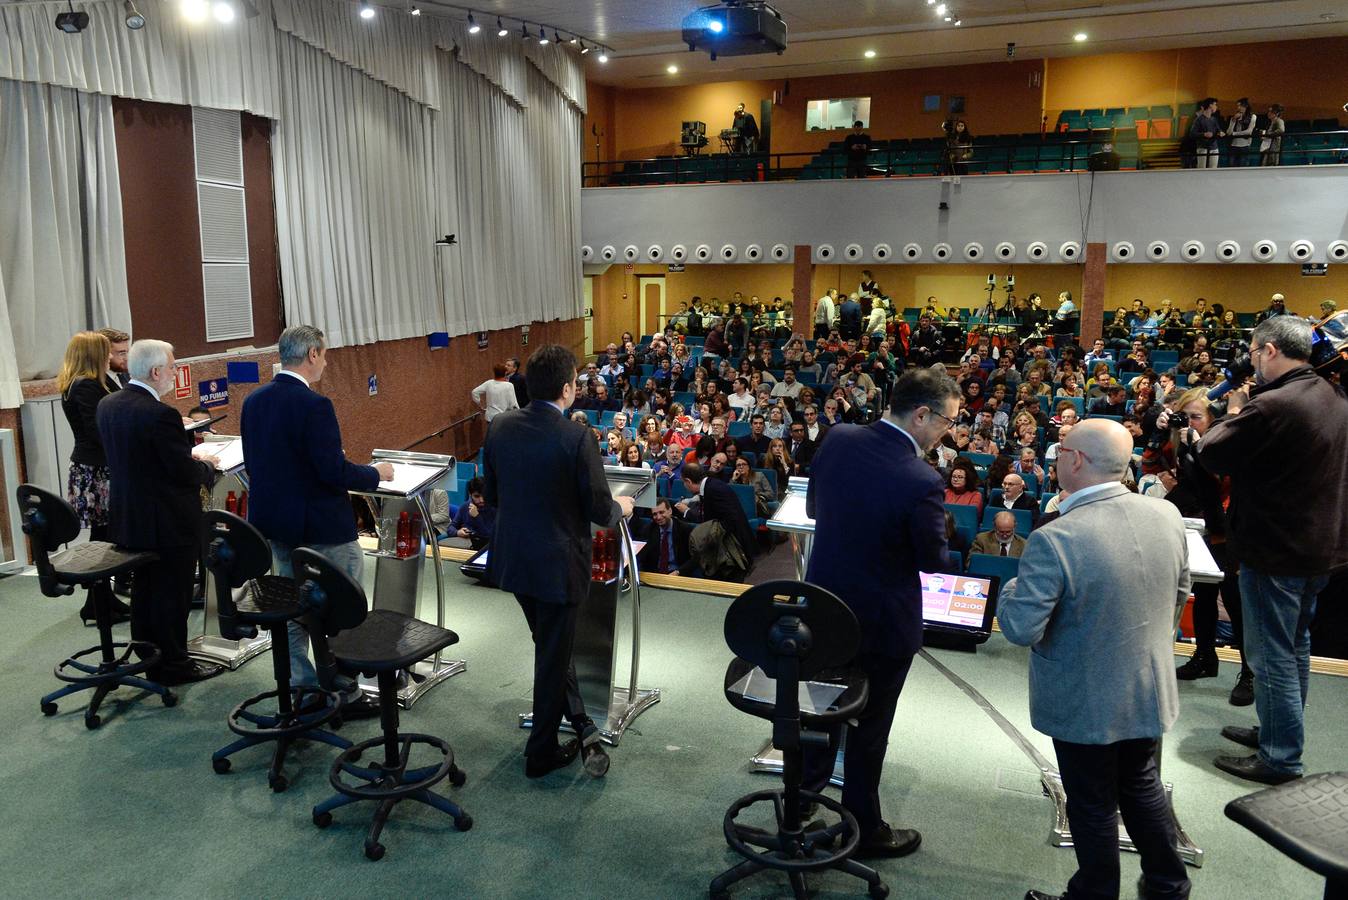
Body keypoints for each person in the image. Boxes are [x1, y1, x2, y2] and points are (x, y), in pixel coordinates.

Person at [999, 419, 1192, 900]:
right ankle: (1169, 886)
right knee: (1141, 784)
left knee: (1091, 802)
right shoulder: (1166, 515)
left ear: (1076, 461)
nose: (1056, 455)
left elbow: (1021, 628)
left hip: (1085, 699)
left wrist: (1011, 588)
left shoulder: (1056, 538)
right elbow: (1181, 593)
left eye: (1061, 448)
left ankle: (1093, 894)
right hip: (1147, 686)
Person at [802, 367, 960, 858]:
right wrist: (948, 534)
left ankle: (799, 805)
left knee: (818, 713)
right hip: (882, 625)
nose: (949, 432)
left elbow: (811, 508)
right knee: (869, 730)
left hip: (822, 611)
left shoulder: (838, 437)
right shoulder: (921, 478)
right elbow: (934, 560)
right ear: (921, 415)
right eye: (948, 422)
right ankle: (864, 830)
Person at [1198, 316, 1348, 784]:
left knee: (1271, 656)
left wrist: (1239, 404)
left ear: (1267, 351)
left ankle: (1280, 757)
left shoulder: (1273, 404)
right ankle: (1275, 734)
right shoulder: (1332, 395)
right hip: (1316, 547)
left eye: (1254, 350)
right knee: (1296, 648)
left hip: (1276, 549)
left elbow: (1210, 450)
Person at [481, 345, 634, 779]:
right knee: (551, 654)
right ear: (568, 389)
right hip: (558, 564)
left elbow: (492, 495)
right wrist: (622, 507)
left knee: (551, 648)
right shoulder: (576, 436)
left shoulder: (501, 427)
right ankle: (540, 753)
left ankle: (582, 725)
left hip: (513, 559)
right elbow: (599, 508)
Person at [241, 325, 390, 717]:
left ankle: (304, 690)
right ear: (311, 354)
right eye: (323, 355)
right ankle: (344, 690)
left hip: (276, 526)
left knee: (291, 610)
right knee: (343, 607)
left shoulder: (254, 401)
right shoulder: (314, 406)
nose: (325, 362)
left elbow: (257, 464)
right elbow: (331, 471)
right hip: (322, 529)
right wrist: (376, 474)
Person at [96, 339, 223, 686]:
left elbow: (141, 459)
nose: (173, 373)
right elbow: (182, 475)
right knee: (172, 592)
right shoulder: (160, 414)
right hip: (167, 520)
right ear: (155, 372)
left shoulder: (109, 404)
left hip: (129, 516)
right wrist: (206, 466)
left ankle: (147, 650)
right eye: (171, 366)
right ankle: (173, 663)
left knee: (146, 589)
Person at [1145, 388, 1253, 702]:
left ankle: (1249, 672)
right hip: (1194, 524)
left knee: (1233, 599)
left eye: (1197, 417)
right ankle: (1205, 657)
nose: (1191, 422)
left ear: (1212, 419)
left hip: (1227, 527)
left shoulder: (1226, 444)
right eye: (1186, 416)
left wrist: (1201, 449)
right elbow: (1150, 465)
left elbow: (1224, 483)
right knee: (1202, 592)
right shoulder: (1180, 441)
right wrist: (1159, 430)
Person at [57, 331, 134, 626]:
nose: (110, 357)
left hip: (95, 466)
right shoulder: (85, 386)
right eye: (106, 352)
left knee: (105, 535)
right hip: (97, 469)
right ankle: (97, 602)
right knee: (103, 537)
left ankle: (100, 600)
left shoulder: (84, 383)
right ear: (93, 355)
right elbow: (98, 430)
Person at [679, 462, 756, 582]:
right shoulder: (711, 485)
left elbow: (731, 519)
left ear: (688, 481)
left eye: (684, 482)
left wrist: (712, 539)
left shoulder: (714, 489)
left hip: (734, 549)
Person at [632, 499, 693, 576]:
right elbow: (642, 557)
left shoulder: (685, 529)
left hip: (678, 574)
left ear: (670, 511)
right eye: (654, 514)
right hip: (655, 575)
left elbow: (694, 559)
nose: (658, 517)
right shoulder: (648, 530)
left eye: (661, 512)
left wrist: (679, 572)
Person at [445, 477, 495, 551]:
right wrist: (458, 532)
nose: (481, 500)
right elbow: (450, 528)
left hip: (484, 546)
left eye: (484, 495)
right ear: (470, 494)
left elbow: (489, 535)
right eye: (477, 496)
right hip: (465, 542)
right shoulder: (465, 507)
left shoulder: (493, 508)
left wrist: (477, 517)